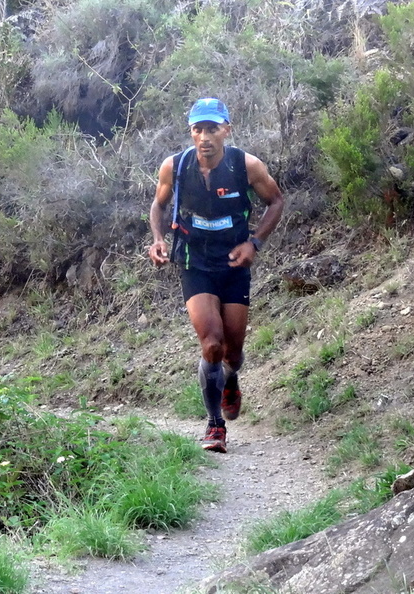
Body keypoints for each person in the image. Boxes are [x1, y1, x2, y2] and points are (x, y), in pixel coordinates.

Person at [148, 98, 284, 453]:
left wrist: (254, 243)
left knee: (233, 354)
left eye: (212, 129)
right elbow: (159, 204)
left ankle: (230, 379)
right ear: (191, 132)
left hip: (234, 264)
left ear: (226, 130)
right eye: (198, 129)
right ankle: (214, 426)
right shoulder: (175, 166)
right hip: (194, 262)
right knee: (212, 344)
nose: (205, 137)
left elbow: (276, 201)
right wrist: (158, 239)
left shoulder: (246, 165)